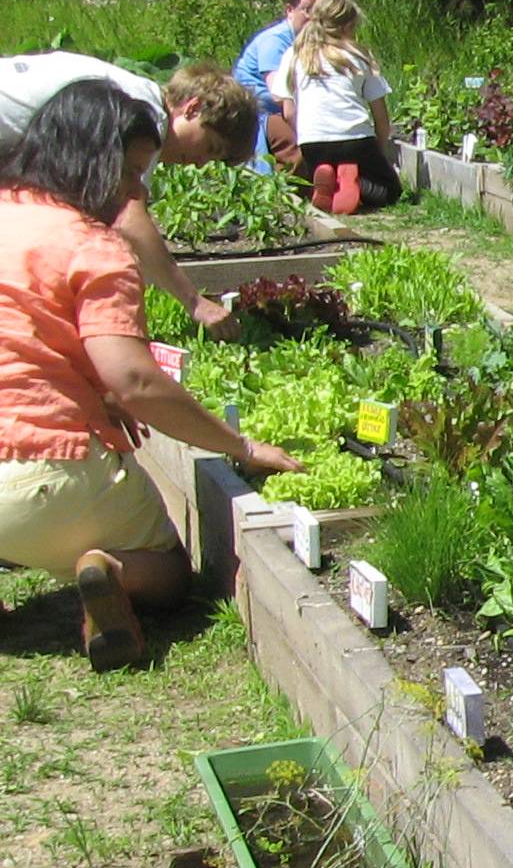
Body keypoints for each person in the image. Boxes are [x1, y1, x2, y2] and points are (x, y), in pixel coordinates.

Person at [0, 81, 300, 665]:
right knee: (169, 572)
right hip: (42, 474)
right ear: (88, 162)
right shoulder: (92, 247)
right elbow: (133, 381)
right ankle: (107, 569)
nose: (139, 190)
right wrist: (238, 444)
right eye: (131, 173)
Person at [0, 52, 255, 335]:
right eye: (210, 147)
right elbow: (126, 216)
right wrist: (195, 302)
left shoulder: (133, 92)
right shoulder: (144, 114)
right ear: (193, 109)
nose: (199, 163)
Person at [269, 0, 398, 215]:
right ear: (348, 27)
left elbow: (289, 112)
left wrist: (304, 137)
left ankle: (333, 179)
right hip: (356, 140)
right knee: (390, 190)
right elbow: (381, 118)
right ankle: (354, 183)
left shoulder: (294, 55)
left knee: (317, 174)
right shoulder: (359, 55)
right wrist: (379, 149)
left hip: (313, 142)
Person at [232, 0, 317, 169]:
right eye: (307, 10)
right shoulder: (275, 41)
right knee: (296, 151)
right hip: (256, 111)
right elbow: (278, 95)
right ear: (289, 10)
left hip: (283, 109)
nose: (313, 18)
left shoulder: (308, 41)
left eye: (319, 12)